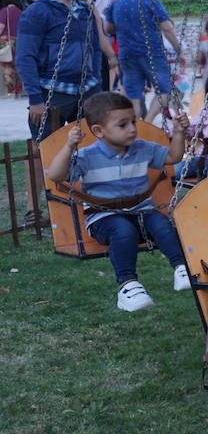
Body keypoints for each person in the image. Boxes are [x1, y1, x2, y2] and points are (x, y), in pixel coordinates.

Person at [44, 91, 190, 312]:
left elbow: (173, 157)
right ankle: (127, 286)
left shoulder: (142, 148)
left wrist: (179, 132)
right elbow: (55, 175)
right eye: (123, 125)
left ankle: (181, 268)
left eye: (133, 122)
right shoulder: (86, 156)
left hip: (141, 212)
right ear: (98, 131)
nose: (132, 129)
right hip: (104, 218)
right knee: (123, 230)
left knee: (162, 224)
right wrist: (69, 146)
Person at [18, 0, 112, 166]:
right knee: (48, 154)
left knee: (93, 149)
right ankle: (48, 188)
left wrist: (96, 81)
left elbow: (95, 48)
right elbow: (25, 57)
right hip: (53, 93)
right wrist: (35, 99)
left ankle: (85, 186)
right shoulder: (37, 12)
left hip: (87, 90)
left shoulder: (85, 10)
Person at [105, 0, 181, 119]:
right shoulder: (151, 1)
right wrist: (178, 49)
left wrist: (125, 26)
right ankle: (148, 121)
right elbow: (167, 28)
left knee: (132, 93)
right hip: (152, 53)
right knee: (164, 90)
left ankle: (136, 124)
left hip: (127, 54)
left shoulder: (116, 2)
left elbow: (108, 29)